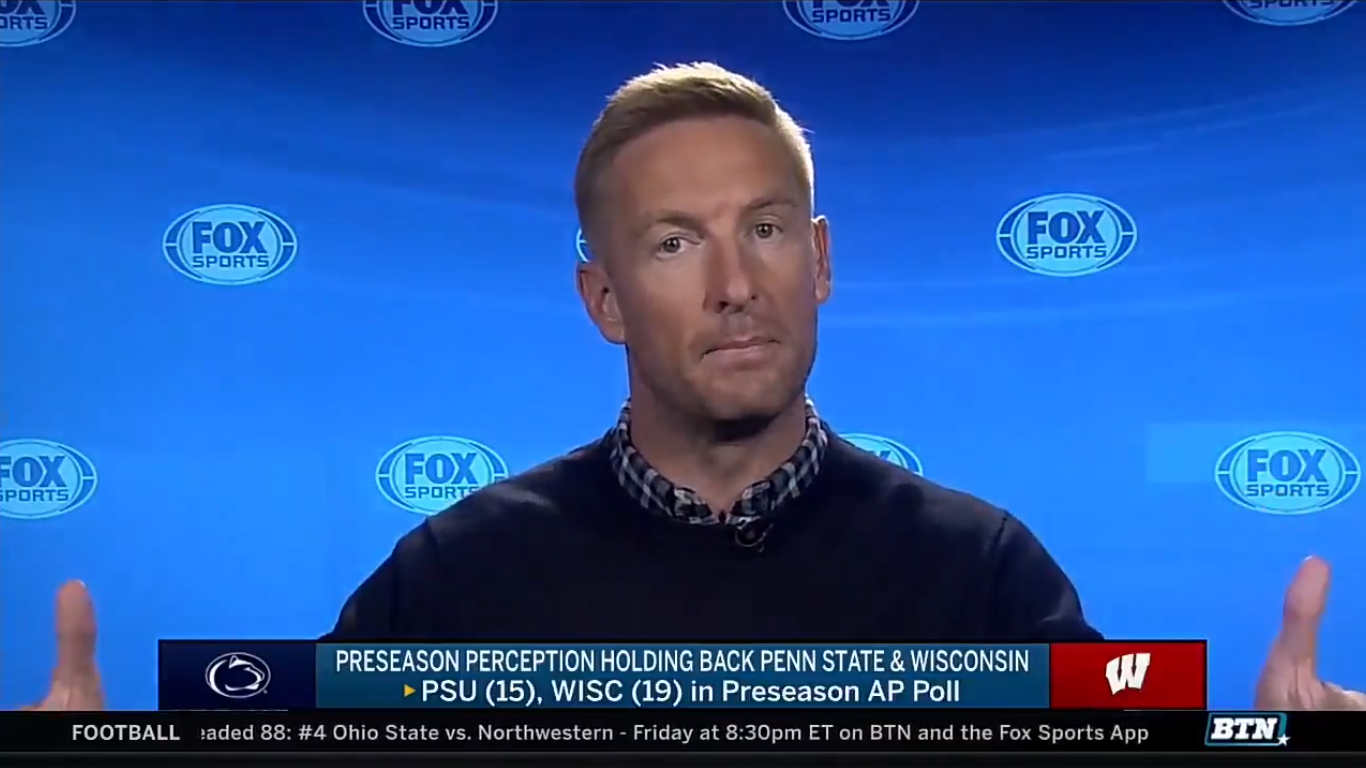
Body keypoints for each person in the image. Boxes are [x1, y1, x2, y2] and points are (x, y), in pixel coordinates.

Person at [23, 63, 1363, 712]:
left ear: (819, 263)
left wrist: (1270, 749)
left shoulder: (977, 571)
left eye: (765, 230)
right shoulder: (463, 575)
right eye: (673, 245)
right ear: (603, 299)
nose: (734, 284)